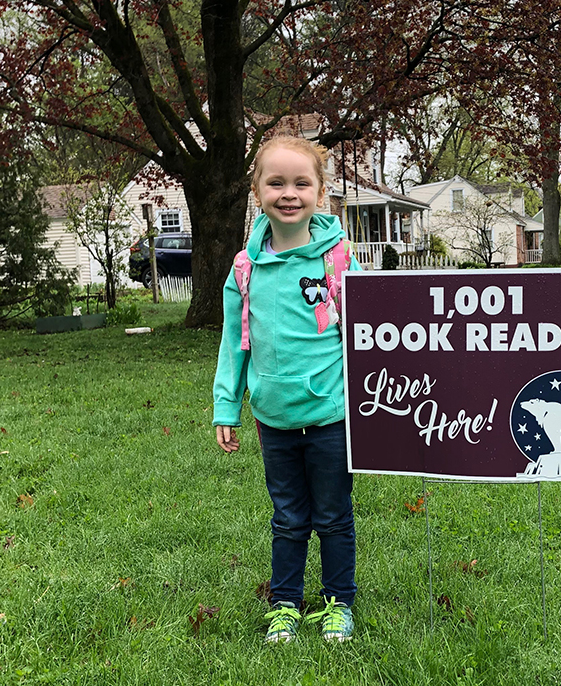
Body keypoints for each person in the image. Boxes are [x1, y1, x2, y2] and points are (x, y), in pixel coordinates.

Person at [213, 135, 361, 643]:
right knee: (289, 517)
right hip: (273, 419)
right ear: (258, 191)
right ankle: (287, 604)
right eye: (276, 182)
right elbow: (235, 344)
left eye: (302, 182)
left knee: (333, 516)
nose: (289, 193)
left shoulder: (338, 261)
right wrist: (225, 408)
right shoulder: (244, 269)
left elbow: (368, 338)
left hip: (333, 416)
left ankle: (339, 602)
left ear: (321, 192)